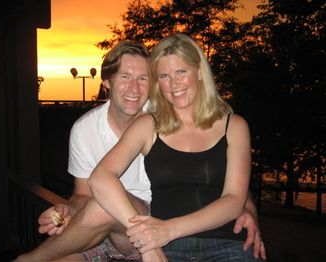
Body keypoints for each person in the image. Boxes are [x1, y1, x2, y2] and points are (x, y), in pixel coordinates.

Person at [14, 39, 265, 261]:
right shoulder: (124, 126)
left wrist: (248, 208)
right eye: (125, 77)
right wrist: (70, 209)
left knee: (101, 210)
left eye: (143, 78)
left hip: (178, 231)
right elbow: (90, 187)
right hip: (139, 232)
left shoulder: (218, 122)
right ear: (107, 83)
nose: (135, 89)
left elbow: (230, 189)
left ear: (199, 71)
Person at [88, 33, 266, 261]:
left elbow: (233, 200)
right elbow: (100, 178)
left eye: (181, 72)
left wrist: (169, 229)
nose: (174, 84)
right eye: (164, 76)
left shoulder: (234, 126)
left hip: (226, 243)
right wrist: (147, 240)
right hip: (169, 248)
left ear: (199, 72)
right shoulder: (148, 125)